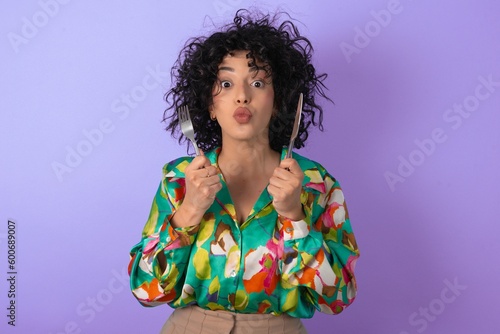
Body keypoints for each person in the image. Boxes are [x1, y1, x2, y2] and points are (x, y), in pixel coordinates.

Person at [128, 9, 359, 334]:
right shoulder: (178, 179)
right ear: (209, 103)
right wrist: (190, 209)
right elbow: (146, 290)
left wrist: (294, 218)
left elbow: (338, 297)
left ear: (279, 100)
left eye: (258, 82)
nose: (242, 95)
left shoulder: (317, 185)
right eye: (225, 82)